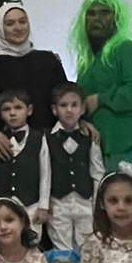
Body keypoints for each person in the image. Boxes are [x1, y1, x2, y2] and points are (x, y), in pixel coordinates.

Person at [70, 0, 132, 174]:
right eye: (91, 13)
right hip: (96, 145)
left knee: (125, 190)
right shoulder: (87, 61)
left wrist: (100, 99)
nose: (96, 18)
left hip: (125, 141)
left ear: (117, 19)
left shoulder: (126, 49)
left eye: (105, 12)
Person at [0, 2, 69, 146]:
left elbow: (65, 96)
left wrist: (79, 122)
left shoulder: (48, 60)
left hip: (50, 140)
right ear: (0, 28)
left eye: (22, 21)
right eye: (10, 23)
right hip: (10, 144)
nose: (18, 28)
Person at [45, 83, 107, 252]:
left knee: (87, 247)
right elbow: (45, 173)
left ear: (82, 108)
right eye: (63, 105)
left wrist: (97, 203)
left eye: (74, 105)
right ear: (54, 109)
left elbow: (97, 171)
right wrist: (45, 202)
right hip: (58, 204)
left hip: (84, 203)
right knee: (61, 250)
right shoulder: (46, 138)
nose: (69, 110)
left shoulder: (89, 137)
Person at [0, 88, 50, 242]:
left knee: (31, 243)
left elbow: (45, 173)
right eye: (6, 109)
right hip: (2, 206)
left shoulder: (39, 138)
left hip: (31, 206)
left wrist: (43, 206)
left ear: (29, 110)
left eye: (18, 108)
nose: (12, 113)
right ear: (1, 114)